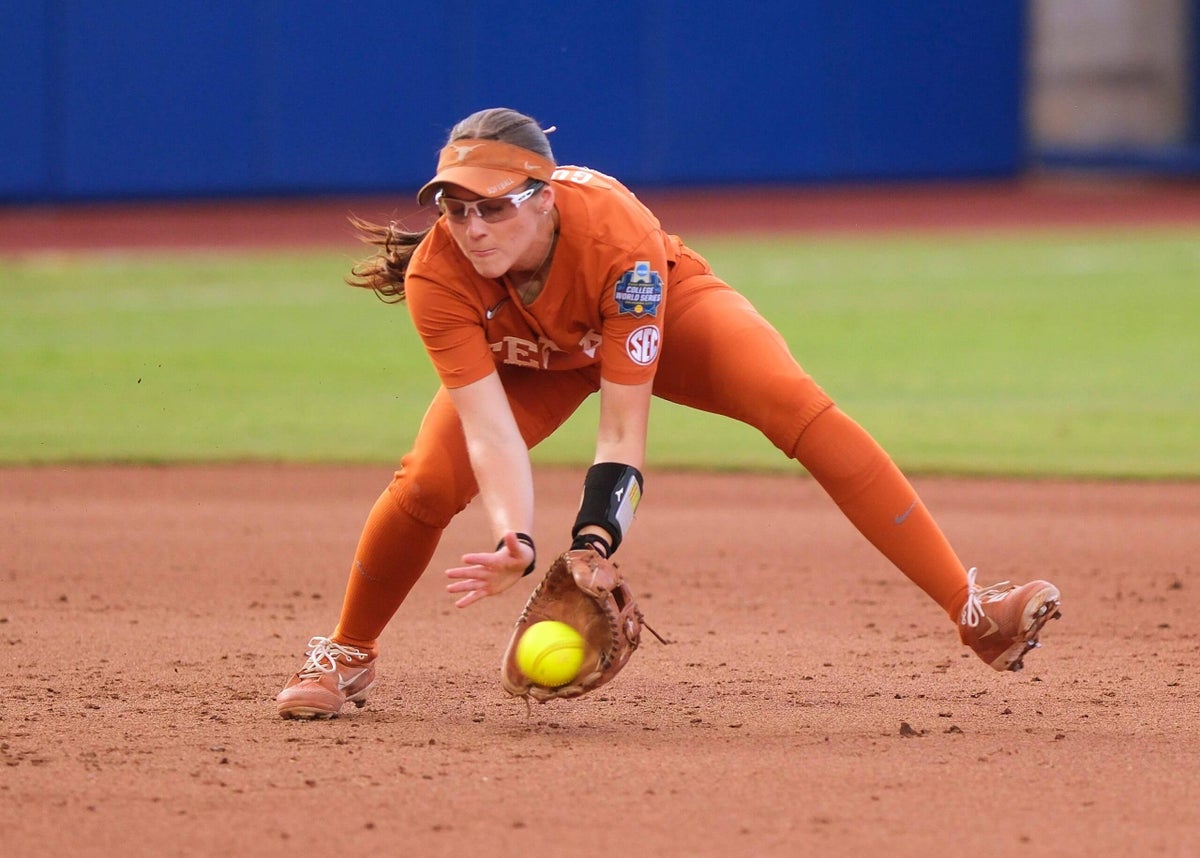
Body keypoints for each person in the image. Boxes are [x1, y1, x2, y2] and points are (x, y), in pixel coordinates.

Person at [275, 107, 1061, 719]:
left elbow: (622, 427)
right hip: (532, 357)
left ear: (542, 198)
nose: (471, 228)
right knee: (426, 481)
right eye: (454, 208)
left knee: (793, 403)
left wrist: (592, 541)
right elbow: (488, 431)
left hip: (654, 316)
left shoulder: (618, 239)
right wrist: (513, 536)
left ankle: (973, 612)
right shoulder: (440, 275)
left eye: (493, 207)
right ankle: (348, 653)